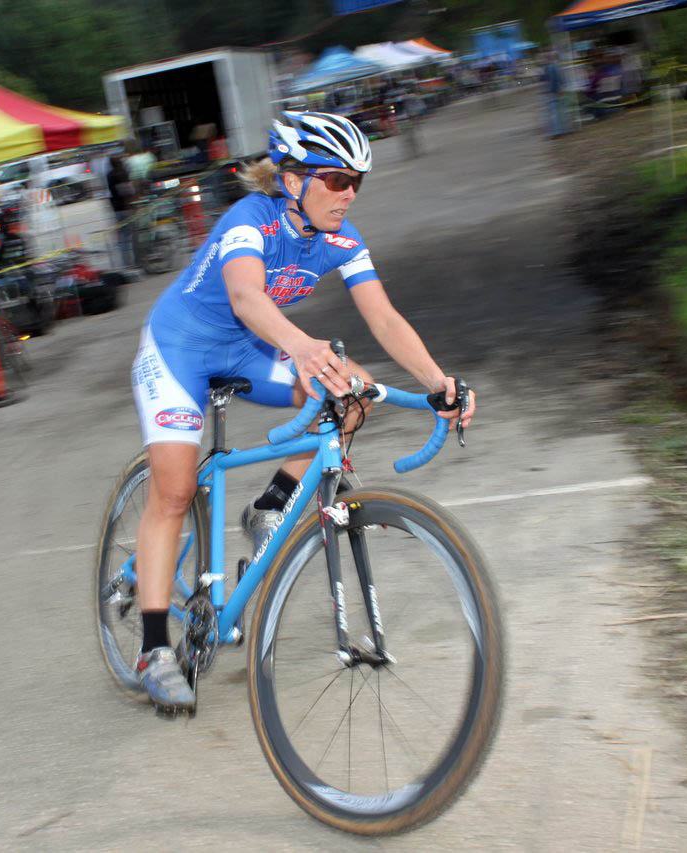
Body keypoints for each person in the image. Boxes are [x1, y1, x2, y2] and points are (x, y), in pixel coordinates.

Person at [128, 111, 476, 711]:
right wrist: (302, 346)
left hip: (244, 349)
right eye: (337, 179)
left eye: (357, 182)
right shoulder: (249, 220)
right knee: (175, 490)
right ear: (293, 180)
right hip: (179, 347)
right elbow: (244, 296)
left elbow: (385, 318)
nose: (349, 194)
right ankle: (154, 648)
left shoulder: (343, 237)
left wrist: (440, 383)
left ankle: (269, 506)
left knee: (354, 392)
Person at [106, 154, 136, 269]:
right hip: (126, 209)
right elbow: (127, 192)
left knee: (122, 237)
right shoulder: (122, 173)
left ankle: (126, 262)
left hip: (116, 209)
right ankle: (132, 262)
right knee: (129, 236)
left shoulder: (109, 175)